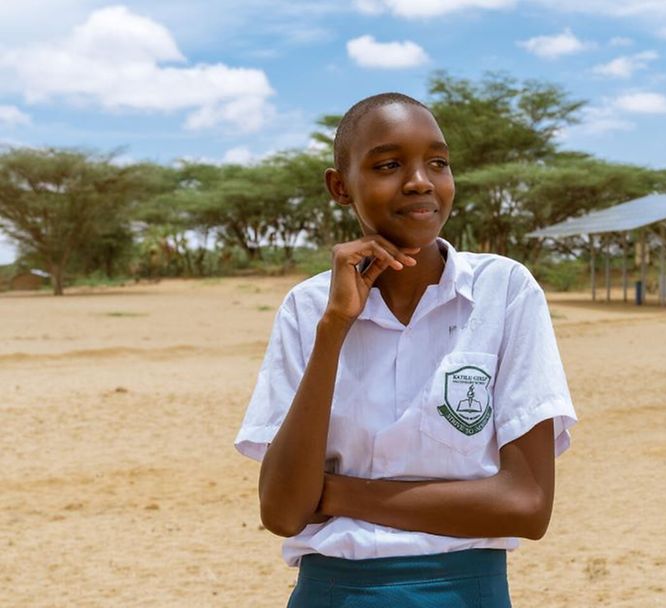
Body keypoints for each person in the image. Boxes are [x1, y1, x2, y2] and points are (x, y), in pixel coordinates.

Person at [234, 92, 577, 607]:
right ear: (340, 186)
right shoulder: (307, 310)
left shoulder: (504, 291)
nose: (420, 180)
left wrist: (336, 493)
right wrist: (334, 331)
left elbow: (525, 506)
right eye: (389, 165)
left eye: (437, 162)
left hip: (466, 593)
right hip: (333, 593)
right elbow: (283, 512)